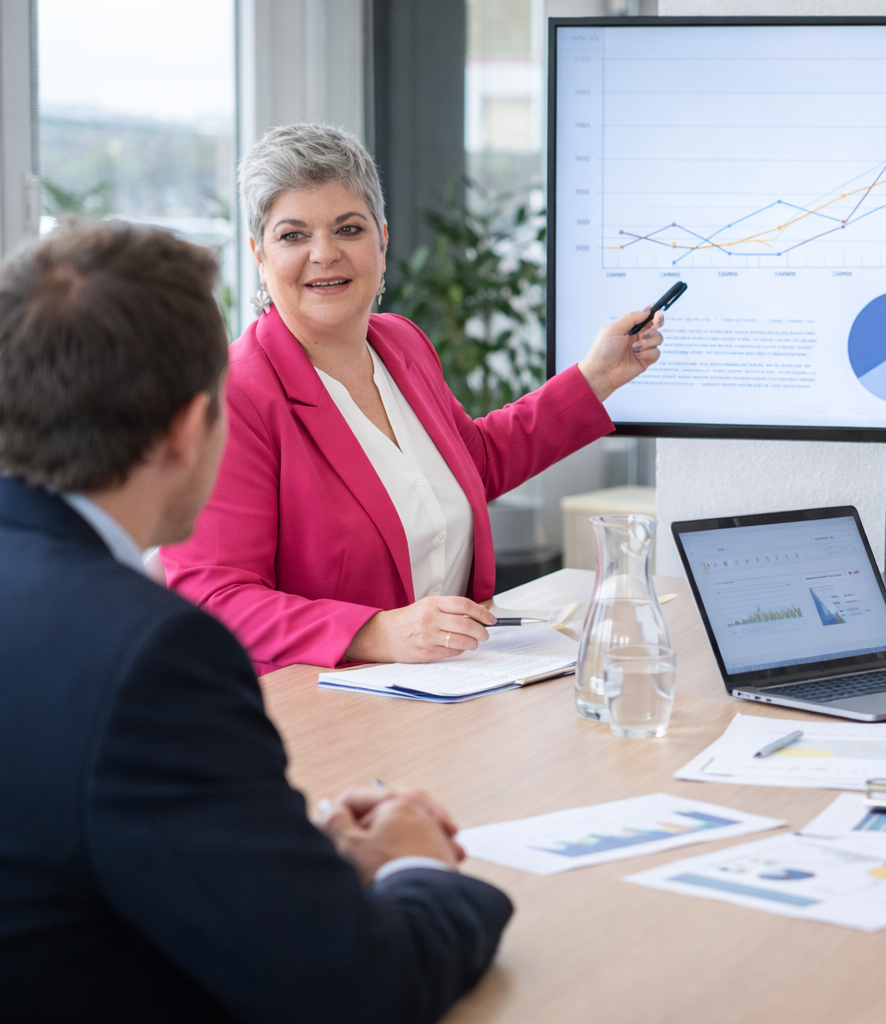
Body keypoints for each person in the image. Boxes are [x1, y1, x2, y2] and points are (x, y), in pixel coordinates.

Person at [0, 221, 511, 1021]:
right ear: (188, 429)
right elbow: (356, 988)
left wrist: (277, 850)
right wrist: (415, 865)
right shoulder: (152, 657)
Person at [161, 123, 662, 674]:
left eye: (348, 229)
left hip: (458, 683)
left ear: (381, 241)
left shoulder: (402, 342)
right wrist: (373, 632)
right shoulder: (233, 395)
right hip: (323, 706)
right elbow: (216, 601)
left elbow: (473, 463)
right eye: (293, 236)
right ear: (260, 255)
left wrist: (596, 378)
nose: (324, 253)